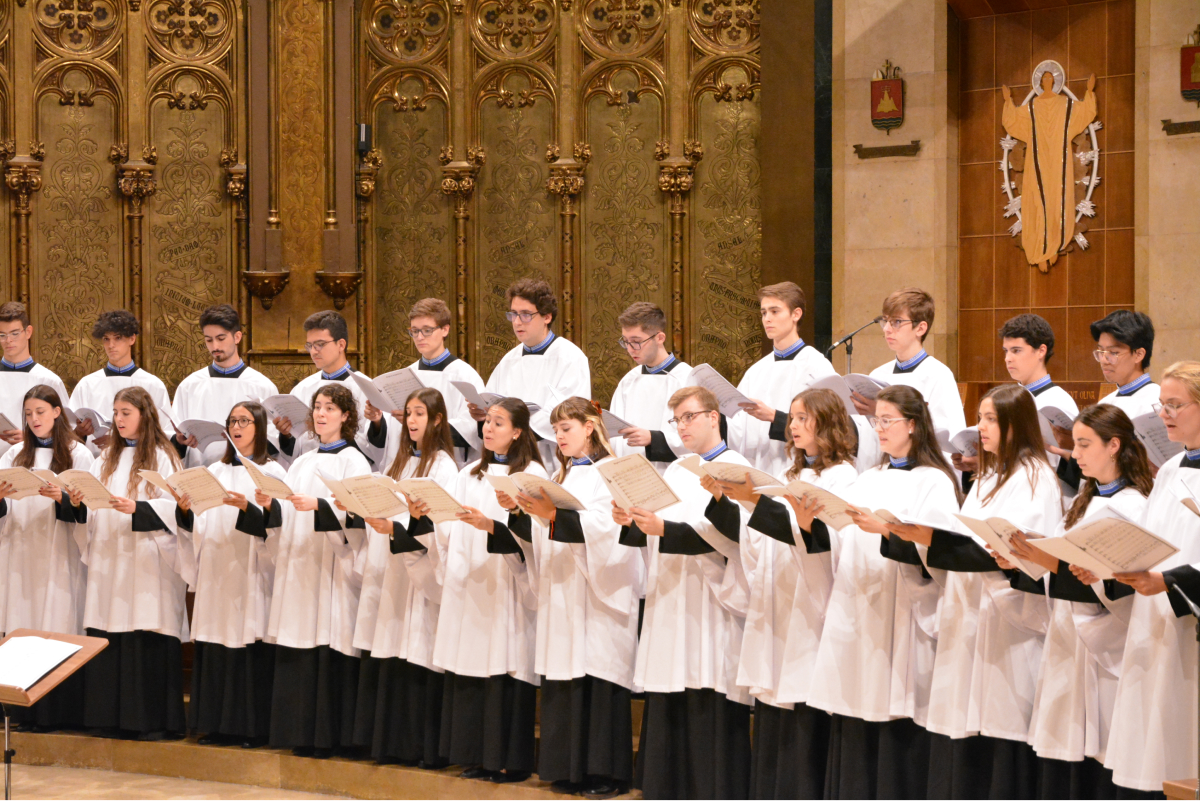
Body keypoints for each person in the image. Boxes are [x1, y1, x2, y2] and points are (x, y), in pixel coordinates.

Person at [903, 383, 1062, 798]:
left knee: (997, 732)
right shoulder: (987, 475)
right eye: (980, 418)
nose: (981, 427)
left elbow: (1023, 551)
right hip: (968, 609)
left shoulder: (1036, 477)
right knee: (961, 725)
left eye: (991, 419)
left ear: (1017, 425)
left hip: (1006, 619)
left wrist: (939, 543)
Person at [808, 385, 960, 799]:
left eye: (888, 420)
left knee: (893, 716)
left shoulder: (935, 482)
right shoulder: (868, 477)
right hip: (857, 605)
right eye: (876, 420)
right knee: (854, 709)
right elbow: (841, 537)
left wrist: (889, 532)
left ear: (913, 425)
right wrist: (816, 521)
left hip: (900, 612)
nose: (880, 428)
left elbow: (941, 553)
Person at [715, 387, 859, 798]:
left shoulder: (844, 477)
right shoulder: (791, 475)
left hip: (810, 601)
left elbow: (827, 542)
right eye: (792, 418)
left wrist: (763, 510)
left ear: (827, 423)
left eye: (801, 418)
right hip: (777, 594)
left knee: (804, 700)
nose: (792, 426)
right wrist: (745, 506)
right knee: (775, 701)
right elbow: (760, 542)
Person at [1006, 404, 1152, 798]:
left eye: (1086, 445)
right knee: (1065, 753)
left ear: (1114, 446)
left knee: (1100, 755)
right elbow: (1061, 567)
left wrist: (1049, 561)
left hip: (1104, 647)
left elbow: (1122, 586)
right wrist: (1020, 559)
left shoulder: (1135, 506)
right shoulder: (1082, 502)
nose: (1077, 454)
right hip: (1068, 637)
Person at [617, 386, 753, 799]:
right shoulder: (676, 470)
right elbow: (656, 528)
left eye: (689, 417)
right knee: (669, 687)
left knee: (705, 689)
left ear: (714, 417)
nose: (682, 426)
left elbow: (738, 539)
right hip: (670, 592)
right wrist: (632, 519)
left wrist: (665, 530)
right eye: (676, 420)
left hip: (708, 599)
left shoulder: (737, 468)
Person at [513, 397, 642, 798]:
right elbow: (549, 529)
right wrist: (528, 514)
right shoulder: (562, 476)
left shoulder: (612, 472)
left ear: (589, 426)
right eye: (554, 431)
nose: (559, 437)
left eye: (565, 429)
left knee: (597, 678)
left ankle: (604, 773)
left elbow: (611, 529)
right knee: (566, 674)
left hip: (599, 594)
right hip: (564, 591)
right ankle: (565, 769)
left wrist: (555, 517)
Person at [240, 384, 373, 756]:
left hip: (331, 566)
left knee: (329, 641)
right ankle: (300, 734)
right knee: (299, 641)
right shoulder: (300, 461)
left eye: (330, 408)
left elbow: (359, 518)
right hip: (299, 564)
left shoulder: (354, 461)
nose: (321, 414)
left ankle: (332, 737)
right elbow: (284, 515)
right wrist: (269, 506)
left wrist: (321, 506)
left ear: (346, 416)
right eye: (317, 407)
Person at [431, 397, 547, 784]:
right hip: (469, 582)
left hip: (505, 584)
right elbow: (448, 527)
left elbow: (538, 536)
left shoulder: (530, 474)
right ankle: (476, 756)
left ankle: (508, 761)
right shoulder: (468, 475)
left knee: (504, 667)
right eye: (487, 422)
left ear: (518, 431)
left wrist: (495, 527)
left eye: (499, 422)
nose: (488, 428)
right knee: (470, 667)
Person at [1104, 361, 1200, 795]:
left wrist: (1171, 582)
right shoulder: (1171, 468)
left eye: (1176, 404)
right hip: (1154, 617)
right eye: (1163, 405)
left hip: (1189, 624)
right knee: (1152, 740)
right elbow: (1152, 538)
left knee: (1184, 738)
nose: (1165, 414)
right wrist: (1110, 564)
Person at [351, 387, 459, 767]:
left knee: (417, 648)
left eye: (419, 414)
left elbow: (440, 523)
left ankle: (421, 748)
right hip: (392, 564)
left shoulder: (443, 466)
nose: (411, 421)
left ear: (437, 420)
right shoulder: (398, 462)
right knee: (392, 647)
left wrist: (403, 525)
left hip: (419, 568)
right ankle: (391, 745)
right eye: (408, 414)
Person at [77, 387, 186, 740]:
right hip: (110, 554)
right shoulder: (103, 458)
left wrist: (137, 508)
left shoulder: (162, 457)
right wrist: (81, 502)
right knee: (110, 630)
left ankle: (149, 721)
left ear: (144, 414)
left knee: (144, 631)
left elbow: (178, 508)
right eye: (115, 413)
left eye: (126, 412)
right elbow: (92, 503)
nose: (119, 420)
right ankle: (108, 717)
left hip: (147, 559)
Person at [178, 401, 288, 748]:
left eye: (245, 421)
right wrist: (185, 513)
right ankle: (214, 725)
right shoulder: (216, 471)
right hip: (216, 570)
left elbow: (278, 527)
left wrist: (247, 509)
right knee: (215, 642)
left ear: (260, 426)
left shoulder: (272, 472)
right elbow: (199, 523)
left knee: (246, 643)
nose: (237, 427)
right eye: (232, 421)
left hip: (251, 570)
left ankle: (249, 729)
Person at [0, 385, 93, 730]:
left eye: (40, 412)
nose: (34, 419)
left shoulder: (77, 454)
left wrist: (63, 499)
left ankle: (56, 714)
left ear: (57, 412)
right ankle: (21, 713)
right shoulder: (13, 455)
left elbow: (88, 511)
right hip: (21, 554)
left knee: (56, 625)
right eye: (28, 414)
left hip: (59, 556)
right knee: (23, 628)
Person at [728, 282, 839, 477]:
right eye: (763, 313)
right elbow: (738, 429)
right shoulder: (755, 371)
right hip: (758, 467)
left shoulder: (816, 366)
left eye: (774, 311)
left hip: (802, 472)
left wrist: (774, 417)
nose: (767, 319)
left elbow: (828, 427)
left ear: (796, 314)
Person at [475, 279, 591, 465]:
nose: (517, 322)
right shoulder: (509, 360)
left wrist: (515, 433)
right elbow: (493, 404)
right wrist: (482, 415)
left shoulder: (570, 357)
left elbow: (566, 414)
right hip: (508, 458)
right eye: (513, 314)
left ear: (547, 316)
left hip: (550, 458)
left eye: (526, 315)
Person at [368, 299, 485, 467]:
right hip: (406, 464)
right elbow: (390, 435)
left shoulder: (465, 376)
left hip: (444, 466)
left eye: (427, 330)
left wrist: (423, 425)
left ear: (445, 329)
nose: (419, 337)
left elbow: (470, 432)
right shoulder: (405, 375)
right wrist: (377, 421)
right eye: (414, 331)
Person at [170, 305, 279, 466]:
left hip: (246, 476)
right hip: (200, 475)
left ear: (237, 337)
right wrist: (180, 441)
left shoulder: (261, 386)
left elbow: (272, 441)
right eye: (209, 340)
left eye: (221, 339)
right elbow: (173, 437)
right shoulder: (189, 386)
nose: (215, 347)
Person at [852, 287, 967, 439]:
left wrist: (882, 413)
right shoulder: (877, 375)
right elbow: (868, 437)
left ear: (920, 328)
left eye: (896, 322)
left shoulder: (938, 375)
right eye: (885, 321)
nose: (887, 329)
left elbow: (946, 436)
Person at [276, 310, 376, 464]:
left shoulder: (366, 388)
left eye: (320, 344)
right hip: (310, 472)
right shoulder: (302, 389)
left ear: (341, 344)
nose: (314, 351)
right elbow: (296, 448)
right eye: (310, 345)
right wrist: (286, 435)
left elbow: (374, 447)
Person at [69, 311, 173, 455]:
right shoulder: (87, 385)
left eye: (118, 338)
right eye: (106, 339)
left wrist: (119, 442)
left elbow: (163, 435)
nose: (111, 345)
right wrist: (80, 432)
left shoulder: (153, 385)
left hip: (140, 463)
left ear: (132, 339)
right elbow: (67, 436)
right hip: (96, 465)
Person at [996, 313, 1080, 493]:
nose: (1008, 358)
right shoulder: (1011, 398)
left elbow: (1073, 462)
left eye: (1016, 350)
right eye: (1006, 351)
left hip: (1050, 492)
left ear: (1041, 351)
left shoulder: (1057, 400)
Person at [608, 302, 693, 472]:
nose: (630, 349)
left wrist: (653, 438)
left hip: (671, 475)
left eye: (636, 341)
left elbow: (698, 438)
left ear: (660, 338)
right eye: (625, 342)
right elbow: (615, 438)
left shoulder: (686, 379)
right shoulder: (628, 381)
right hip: (630, 474)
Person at [0, 302, 69, 459]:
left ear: (28, 332)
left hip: (36, 462)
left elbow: (65, 431)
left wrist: (31, 437)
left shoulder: (49, 380)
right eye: (2, 335)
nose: (8, 340)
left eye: (15, 333)